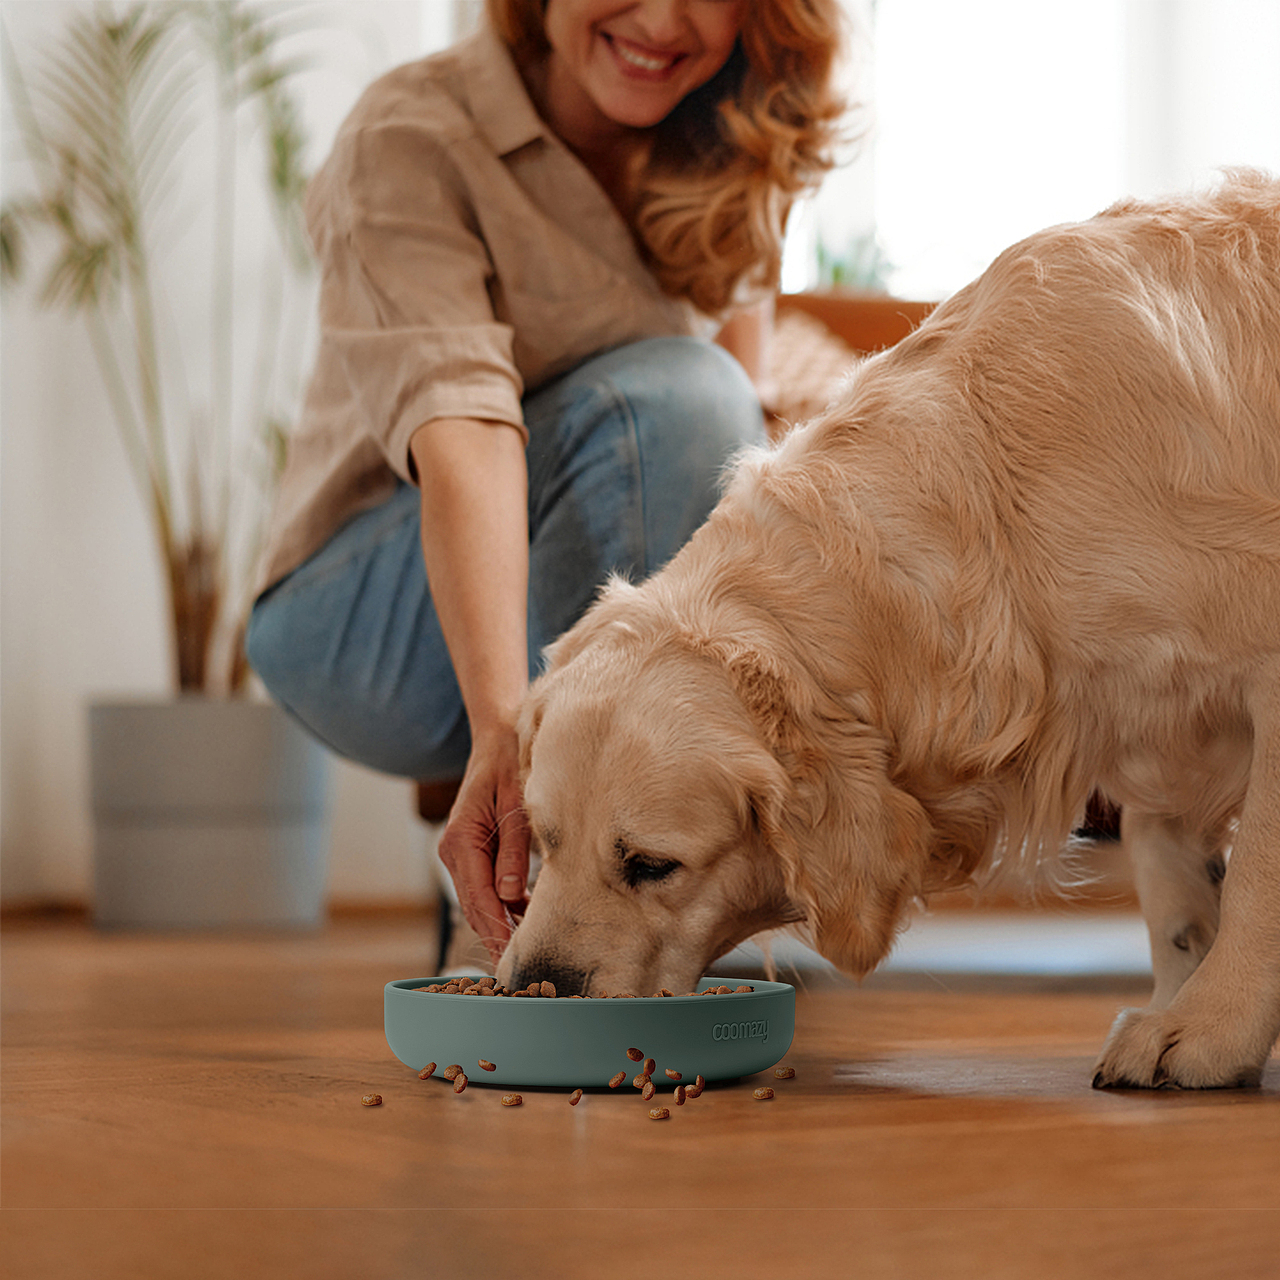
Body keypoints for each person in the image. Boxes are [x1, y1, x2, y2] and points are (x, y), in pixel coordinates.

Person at [245, 0, 848, 965]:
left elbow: (744, 425)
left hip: (567, 589)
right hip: (362, 622)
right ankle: (555, 917)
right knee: (675, 401)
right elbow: (466, 433)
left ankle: (629, 927)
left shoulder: (734, 136)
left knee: (709, 406)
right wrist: (506, 728)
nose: (662, 19)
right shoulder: (410, 136)